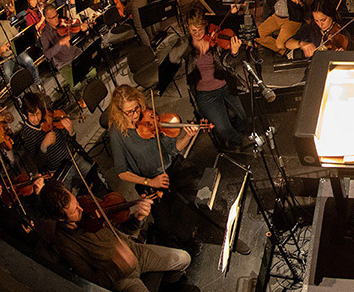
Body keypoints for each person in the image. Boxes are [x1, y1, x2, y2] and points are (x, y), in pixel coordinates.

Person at [105, 85, 250, 253]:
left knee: (205, 198)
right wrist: (149, 181)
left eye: (136, 108)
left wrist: (188, 135)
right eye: (128, 112)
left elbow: (173, 148)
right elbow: (122, 172)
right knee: (166, 225)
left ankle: (231, 235)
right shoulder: (117, 133)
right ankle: (190, 241)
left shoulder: (150, 115)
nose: (135, 115)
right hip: (151, 182)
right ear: (119, 111)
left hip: (174, 168)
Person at [41, 180, 197, 292]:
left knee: (184, 258)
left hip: (136, 252)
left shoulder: (86, 204)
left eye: (76, 202)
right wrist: (117, 265)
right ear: (61, 218)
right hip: (123, 280)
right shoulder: (65, 244)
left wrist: (138, 218)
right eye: (75, 211)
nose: (81, 208)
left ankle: (165, 285)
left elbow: (124, 231)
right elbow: (93, 282)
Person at [177, 8, 251, 149]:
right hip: (205, 94)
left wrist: (234, 53)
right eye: (194, 31)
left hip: (225, 86)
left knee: (244, 117)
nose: (198, 34)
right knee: (223, 128)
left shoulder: (213, 40)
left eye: (201, 30)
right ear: (188, 28)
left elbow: (227, 64)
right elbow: (174, 57)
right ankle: (238, 139)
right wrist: (192, 44)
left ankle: (235, 135)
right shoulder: (185, 45)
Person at [0, 8, 41, 87]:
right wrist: (1, 51)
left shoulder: (7, 23)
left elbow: (17, 36)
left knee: (29, 61)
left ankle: (38, 83)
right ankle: (18, 96)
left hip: (17, 51)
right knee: (8, 75)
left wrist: (11, 43)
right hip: (6, 57)